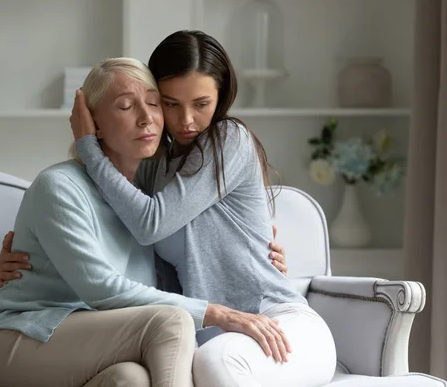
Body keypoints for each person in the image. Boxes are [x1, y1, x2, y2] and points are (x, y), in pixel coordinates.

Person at [0, 57, 290, 387]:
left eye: (154, 104)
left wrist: (258, 256)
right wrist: (218, 313)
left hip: (103, 346)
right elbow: (100, 288)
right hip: (21, 340)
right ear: (92, 122)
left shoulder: (152, 200)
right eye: (126, 106)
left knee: (132, 380)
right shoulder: (59, 187)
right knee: (171, 322)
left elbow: (194, 254)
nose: (146, 118)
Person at [71, 30, 337, 387]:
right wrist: (27, 248)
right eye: (170, 103)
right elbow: (102, 214)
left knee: (215, 364)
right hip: (213, 335)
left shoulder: (229, 139)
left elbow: (152, 224)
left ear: (221, 97)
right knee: (200, 363)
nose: (186, 121)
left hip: (278, 323)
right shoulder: (156, 165)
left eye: (201, 103)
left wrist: (88, 146)